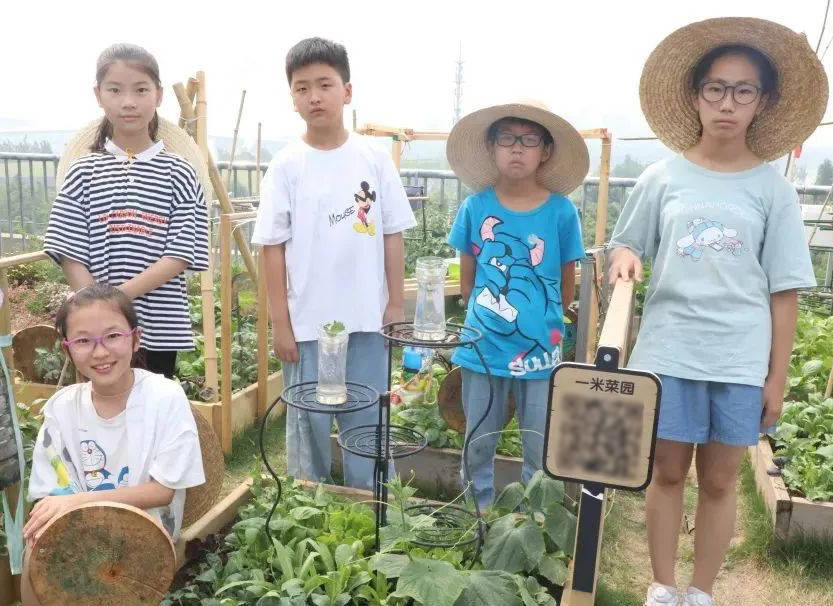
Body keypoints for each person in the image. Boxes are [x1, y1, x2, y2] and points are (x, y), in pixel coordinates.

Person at [608, 18, 827, 606]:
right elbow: (627, 242)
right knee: (669, 471)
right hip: (670, 348)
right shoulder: (662, 177)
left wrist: (775, 378)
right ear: (694, 95)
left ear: (763, 102)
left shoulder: (772, 190)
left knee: (722, 478)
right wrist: (625, 257)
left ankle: (702, 591)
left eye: (743, 90)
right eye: (716, 88)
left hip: (738, 356)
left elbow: (785, 291)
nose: (727, 103)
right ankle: (661, 585)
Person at [251, 37, 416, 490]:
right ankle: (310, 505)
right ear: (293, 99)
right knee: (310, 428)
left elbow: (392, 234)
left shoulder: (374, 159)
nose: (314, 96)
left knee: (367, 420)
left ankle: (374, 503)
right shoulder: (286, 165)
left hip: (367, 319)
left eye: (325, 84)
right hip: (306, 327)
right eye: (302, 88)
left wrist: (395, 304)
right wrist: (280, 324)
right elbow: (272, 249)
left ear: (347, 90)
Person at [18, 283, 205, 606]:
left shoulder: (164, 397)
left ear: (136, 338)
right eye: (84, 341)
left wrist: (78, 502)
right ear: (67, 349)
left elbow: (162, 492)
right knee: (37, 546)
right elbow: (55, 491)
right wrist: (62, 510)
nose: (100, 352)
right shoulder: (62, 408)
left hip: (146, 525)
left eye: (113, 336)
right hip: (82, 527)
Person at [444, 100, 588, 508]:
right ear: (491, 148)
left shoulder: (561, 212)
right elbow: (468, 276)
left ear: (545, 151)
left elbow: (566, 281)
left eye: (528, 140)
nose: (517, 149)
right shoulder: (476, 207)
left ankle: (534, 522)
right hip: (483, 347)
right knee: (478, 440)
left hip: (541, 349)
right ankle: (478, 514)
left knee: (539, 445)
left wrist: (545, 319)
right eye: (507, 139)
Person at [43, 43, 208, 378]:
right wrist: (99, 312)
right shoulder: (83, 172)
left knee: (153, 414)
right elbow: (68, 249)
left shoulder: (180, 173)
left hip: (159, 329)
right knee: (101, 413)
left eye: (141, 89)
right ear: (98, 95)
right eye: (115, 90)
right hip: (97, 335)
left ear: (158, 95)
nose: (128, 101)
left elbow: (180, 254)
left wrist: (113, 300)